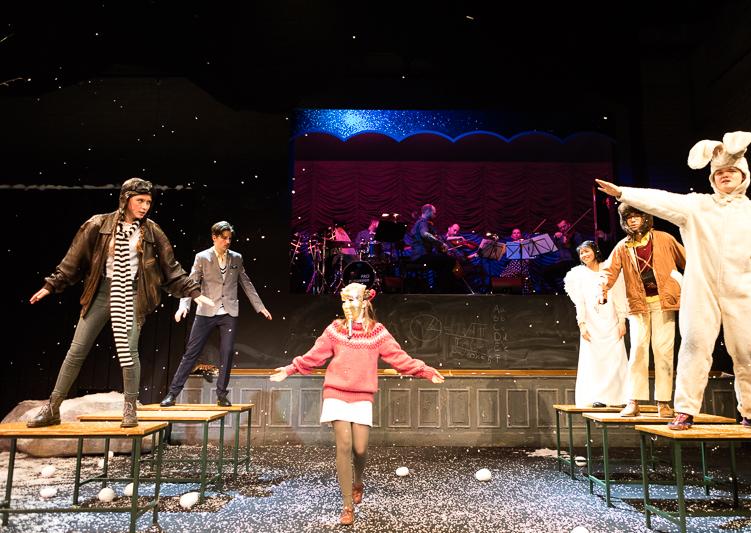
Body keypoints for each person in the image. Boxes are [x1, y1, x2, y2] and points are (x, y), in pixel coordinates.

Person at [596, 131, 751, 431]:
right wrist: (624, 193)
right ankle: (685, 410)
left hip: (743, 291)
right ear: (712, 179)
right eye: (719, 173)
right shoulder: (698, 207)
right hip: (701, 290)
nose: (725, 176)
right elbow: (662, 200)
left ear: (743, 176)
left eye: (731, 171)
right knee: (694, 347)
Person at [27, 178, 206, 428]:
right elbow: (73, 259)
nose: (145, 206)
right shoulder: (98, 224)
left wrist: (194, 292)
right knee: (76, 351)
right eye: (140, 201)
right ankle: (52, 407)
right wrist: (50, 286)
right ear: (126, 199)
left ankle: (130, 409)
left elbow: (171, 269)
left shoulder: (152, 231)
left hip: (132, 293)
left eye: (148, 202)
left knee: (129, 352)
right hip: (101, 292)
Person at [270, 282, 445, 525]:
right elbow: (314, 356)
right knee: (344, 445)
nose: (347, 305)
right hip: (335, 393)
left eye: (352, 300)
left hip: (362, 396)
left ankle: (358, 481)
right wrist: (290, 369)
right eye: (344, 300)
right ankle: (347, 506)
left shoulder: (377, 333)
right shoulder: (335, 329)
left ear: (364, 302)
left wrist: (424, 371)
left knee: (360, 448)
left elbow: (399, 358)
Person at [160, 221, 273, 408]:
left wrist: (259, 306)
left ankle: (221, 395)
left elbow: (246, 283)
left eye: (230, 238)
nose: (227, 241)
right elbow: (191, 283)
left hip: (228, 312)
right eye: (224, 238)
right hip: (206, 311)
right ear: (214, 237)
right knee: (191, 353)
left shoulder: (236, 258)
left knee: (227, 352)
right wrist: (184, 306)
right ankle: (172, 394)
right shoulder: (202, 257)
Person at [601, 204, 686, 418]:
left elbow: (689, 261)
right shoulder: (623, 246)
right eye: (628, 217)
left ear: (645, 217)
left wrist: (692, 284)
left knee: (663, 351)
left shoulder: (664, 239)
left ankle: (663, 402)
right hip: (638, 305)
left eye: (637, 216)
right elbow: (608, 271)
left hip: (664, 303)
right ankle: (633, 401)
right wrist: (602, 289)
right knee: (638, 350)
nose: (633, 220)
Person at [564, 241, 628, 408]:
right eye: (581, 253)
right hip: (592, 322)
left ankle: (619, 398)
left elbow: (619, 295)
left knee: (615, 358)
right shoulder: (578, 275)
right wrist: (582, 324)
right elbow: (580, 302)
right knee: (594, 361)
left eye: (587, 251)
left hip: (611, 320)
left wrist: (622, 320)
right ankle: (596, 397)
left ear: (595, 251)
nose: (584, 255)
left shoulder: (609, 269)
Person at [409, 203, 456, 292]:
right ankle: (444, 290)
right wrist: (441, 243)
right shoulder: (423, 222)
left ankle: (438, 289)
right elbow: (425, 234)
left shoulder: (420, 222)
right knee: (450, 261)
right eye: (434, 213)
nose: (435, 215)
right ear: (428, 212)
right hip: (421, 256)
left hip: (418, 256)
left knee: (441, 262)